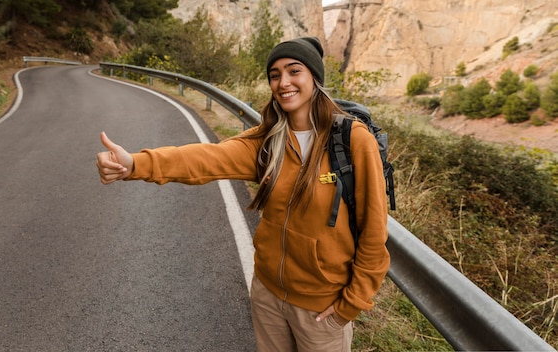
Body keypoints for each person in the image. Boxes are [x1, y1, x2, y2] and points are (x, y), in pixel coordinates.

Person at [96, 37, 390, 352]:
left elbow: (374, 233)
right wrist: (135, 163)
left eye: (294, 71)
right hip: (267, 296)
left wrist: (349, 306)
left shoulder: (352, 142)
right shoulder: (268, 140)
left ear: (315, 78)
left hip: (321, 311)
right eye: (275, 75)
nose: (283, 82)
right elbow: (206, 159)